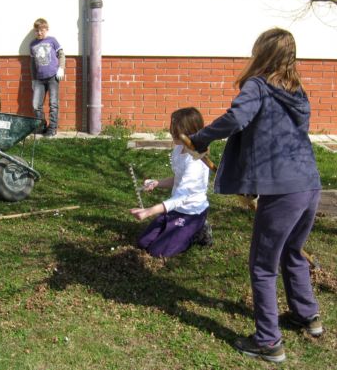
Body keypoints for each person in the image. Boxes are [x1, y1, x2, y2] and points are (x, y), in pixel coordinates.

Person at [188, 28, 322, 363]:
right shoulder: (295, 90)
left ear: (261, 53)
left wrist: (201, 138)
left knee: (263, 265)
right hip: (309, 184)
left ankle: (268, 342)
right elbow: (272, 137)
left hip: (284, 190)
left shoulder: (258, 86)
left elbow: (237, 118)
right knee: (292, 250)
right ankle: (308, 316)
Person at [129, 107, 212, 258]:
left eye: (176, 130)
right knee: (143, 242)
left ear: (190, 132)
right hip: (175, 209)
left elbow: (181, 198)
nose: (172, 132)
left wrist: (148, 211)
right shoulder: (179, 149)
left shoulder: (195, 162)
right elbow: (178, 179)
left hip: (191, 213)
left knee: (158, 251)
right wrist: (157, 183)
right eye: (172, 127)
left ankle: (199, 231)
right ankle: (175, 228)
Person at [29, 18, 65, 137]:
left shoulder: (52, 40)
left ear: (46, 29)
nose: (39, 33)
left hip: (53, 77)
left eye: (42, 30)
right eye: (37, 31)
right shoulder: (32, 44)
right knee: (36, 105)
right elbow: (32, 63)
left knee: (53, 104)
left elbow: (61, 55)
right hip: (39, 79)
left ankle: (52, 128)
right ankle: (41, 126)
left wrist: (61, 68)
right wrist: (33, 79)